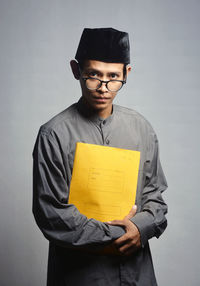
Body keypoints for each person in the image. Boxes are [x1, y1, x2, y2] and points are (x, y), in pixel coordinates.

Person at [32, 27, 168, 286]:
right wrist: (118, 233)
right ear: (76, 70)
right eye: (93, 75)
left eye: (113, 77)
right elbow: (52, 214)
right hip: (80, 277)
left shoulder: (141, 128)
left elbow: (155, 198)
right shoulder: (53, 135)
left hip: (137, 275)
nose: (103, 88)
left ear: (127, 73)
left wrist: (141, 227)